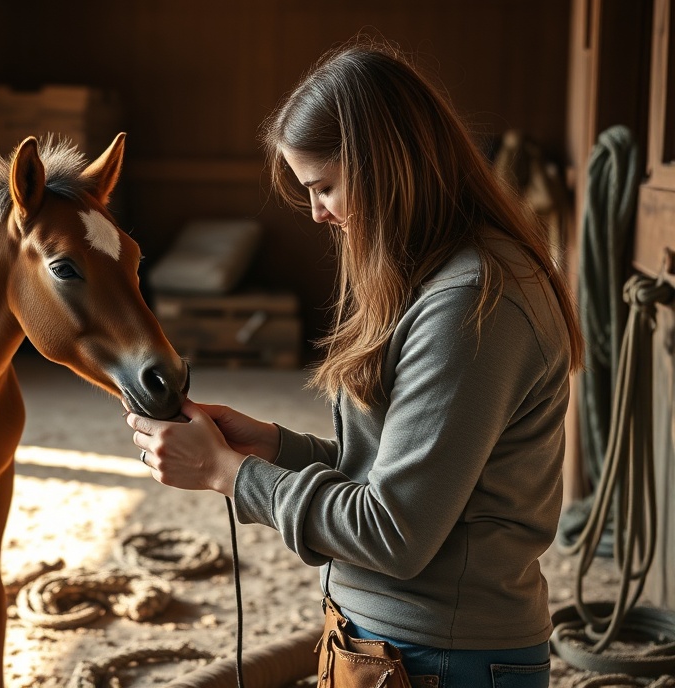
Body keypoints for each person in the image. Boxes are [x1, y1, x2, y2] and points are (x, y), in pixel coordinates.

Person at [126, 41, 582, 688]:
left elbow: (394, 532)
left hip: (442, 660)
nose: (317, 212)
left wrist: (230, 473)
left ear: (388, 169)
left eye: (326, 186)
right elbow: (401, 475)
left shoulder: (471, 305)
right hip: (398, 647)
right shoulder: (439, 276)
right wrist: (275, 448)